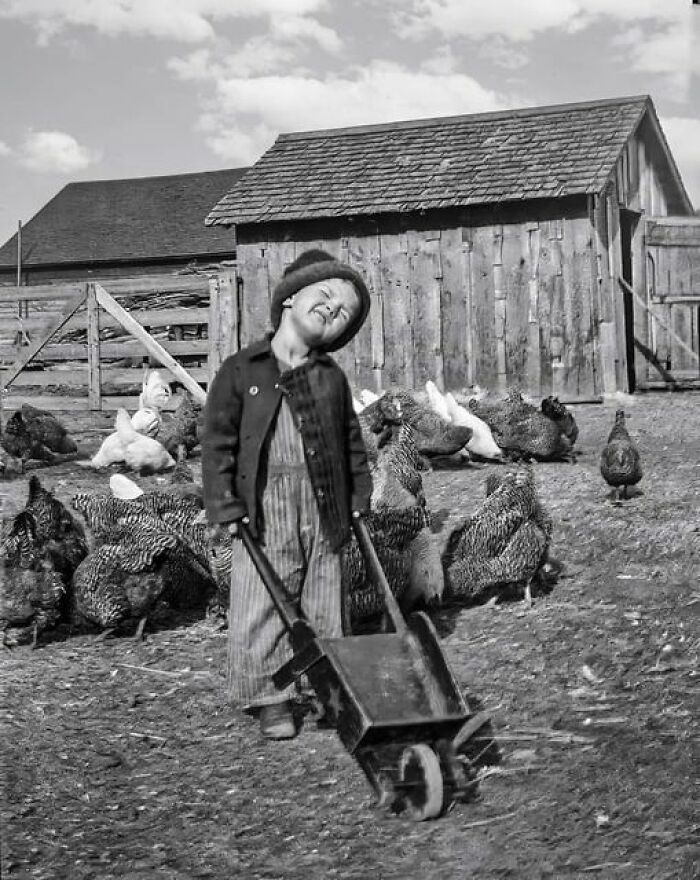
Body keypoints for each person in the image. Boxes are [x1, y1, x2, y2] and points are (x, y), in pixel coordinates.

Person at [202, 249, 373, 739]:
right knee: (262, 600)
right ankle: (270, 698)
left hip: (325, 499)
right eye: (326, 295)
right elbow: (217, 442)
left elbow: (351, 443)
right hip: (264, 499)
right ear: (290, 298)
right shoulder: (242, 369)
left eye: (344, 313)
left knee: (324, 596)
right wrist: (225, 504)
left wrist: (359, 495)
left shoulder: (331, 378)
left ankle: (329, 690)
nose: (333, 309)